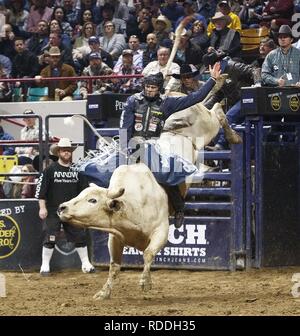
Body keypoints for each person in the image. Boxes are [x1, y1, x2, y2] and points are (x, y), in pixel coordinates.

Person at [120, 63, 222, 228]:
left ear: (159, 88)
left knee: (165, 172)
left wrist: (211, 80)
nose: (150, 90)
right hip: (133, 144)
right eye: (147, 87)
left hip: (154, 144)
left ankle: (179, 207)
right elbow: (125, 126)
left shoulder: (166, 103)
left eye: (153, 87)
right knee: (115, 173)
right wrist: (125, 148)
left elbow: (194, 98)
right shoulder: (133, 101)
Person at [35, 137, 95, 276]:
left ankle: (86, 264)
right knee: (50, 236)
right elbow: (41, 191)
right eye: (64, 150)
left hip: (73, 211)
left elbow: (85, 192)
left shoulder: (78, 171)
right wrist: (42, 208)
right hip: (52, 210)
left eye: (68, 150)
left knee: (80, 236)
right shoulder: (49, 170)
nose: (66, 153)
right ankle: (45, 266)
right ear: (58, 152)